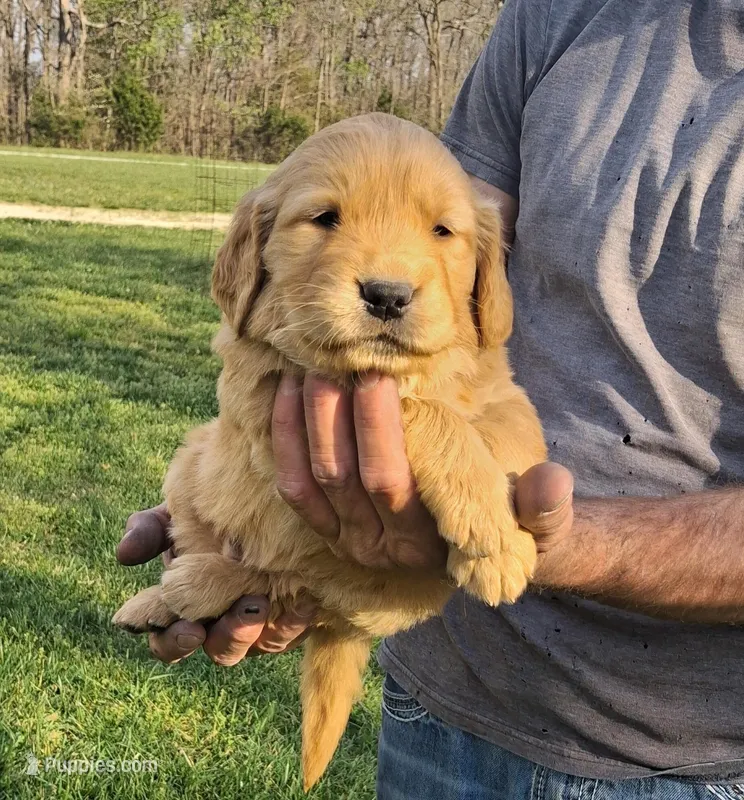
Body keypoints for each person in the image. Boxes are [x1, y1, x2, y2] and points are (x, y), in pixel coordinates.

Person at [117, 0, 744, 796]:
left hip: (691, 759)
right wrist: (223, 518)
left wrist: (530, 534)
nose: (386, 271)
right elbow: (444, 210)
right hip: (439, 700)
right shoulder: (560, 13)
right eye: (325, 219)